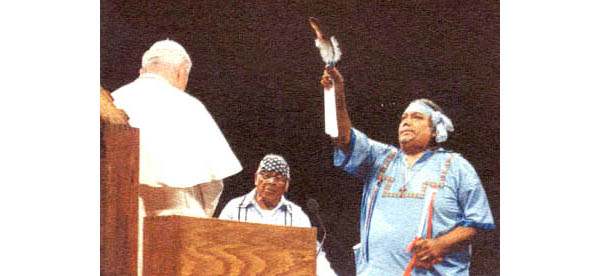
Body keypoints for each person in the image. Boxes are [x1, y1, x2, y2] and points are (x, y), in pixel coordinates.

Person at [320, 67, 495, 275]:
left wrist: (440, 245)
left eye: (417, 117)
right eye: (404, 117)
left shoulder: (458, 168)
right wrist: (335, 94)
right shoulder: (380, 158)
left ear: (434, 131)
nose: (406, 121)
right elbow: (342, 138)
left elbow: (480, 225)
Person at [111, 39, 242, 275]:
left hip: (117, 228)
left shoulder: (112, 102)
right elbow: (212, 186)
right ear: (181, 73)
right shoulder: (190, 107)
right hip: (176, 224)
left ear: (143, 70)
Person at [219, 154, 337, 276]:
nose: (272, 182)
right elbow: (215, 248)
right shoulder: (233, 209)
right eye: (266, 176)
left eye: (279, 178)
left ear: (286, 185)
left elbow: (313, 256)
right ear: (256, 178)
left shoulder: (297, 216)